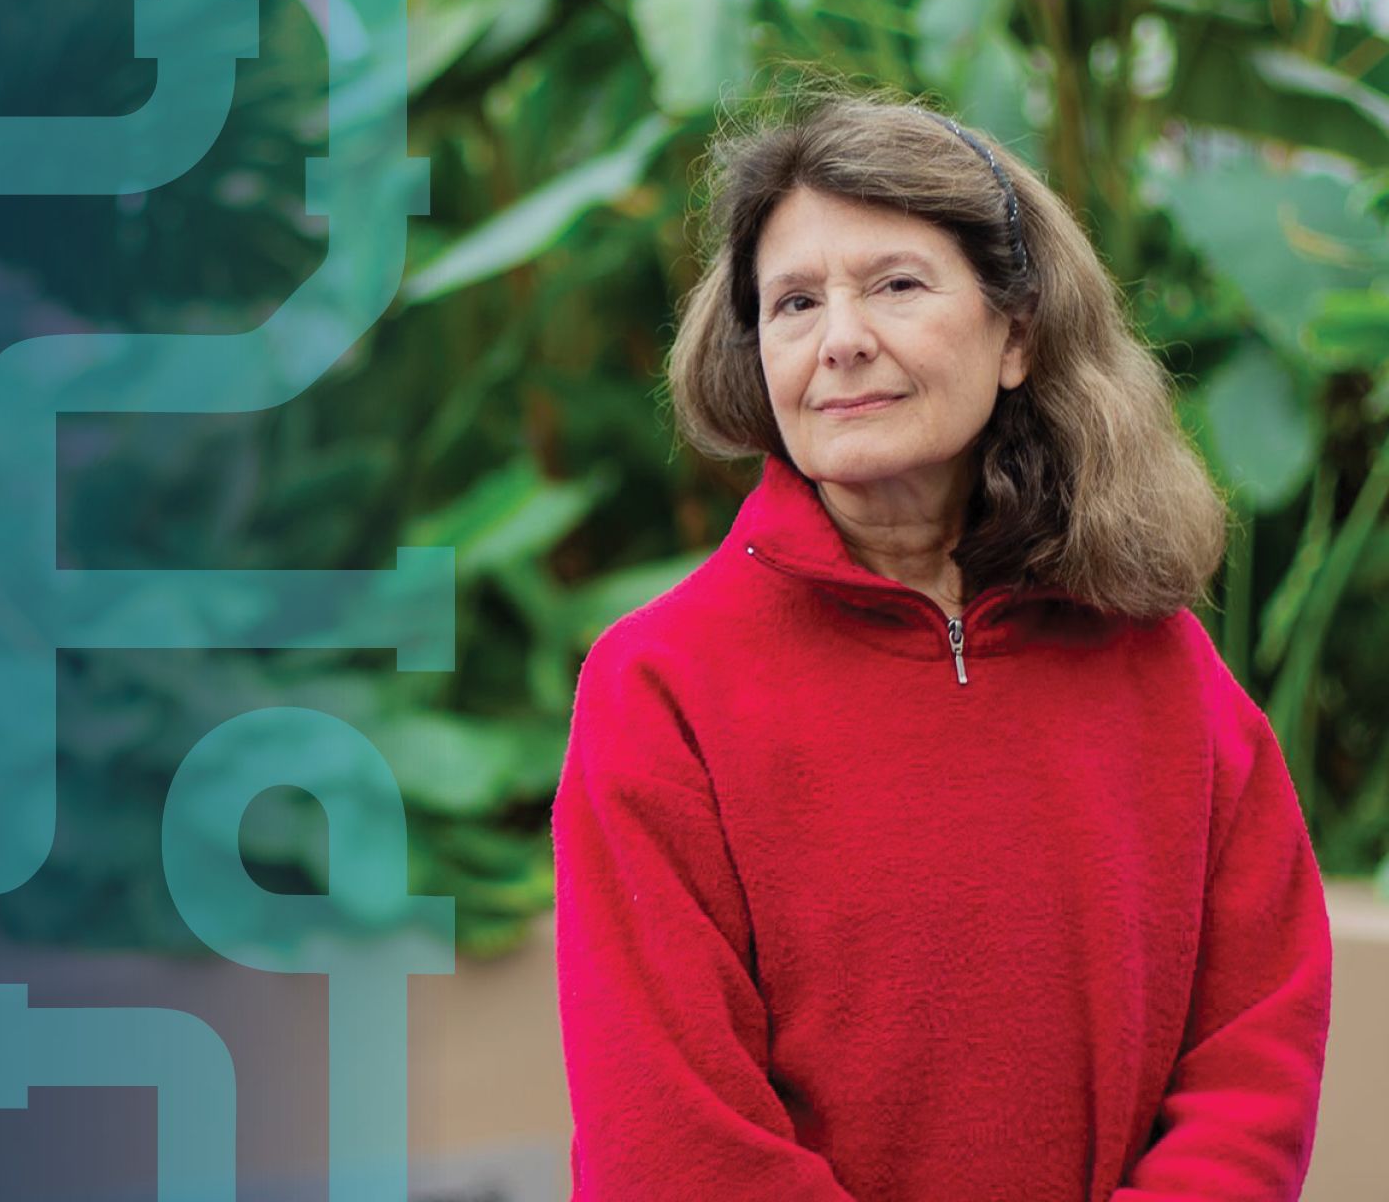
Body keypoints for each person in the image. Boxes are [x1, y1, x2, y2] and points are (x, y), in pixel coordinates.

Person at [549, 95, 1334, 1200]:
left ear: (1016, 335)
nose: (840, 339)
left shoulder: (1156, 662)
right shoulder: (662, 688)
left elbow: (1255, 1041)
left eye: (895, 285)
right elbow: (670, 1140)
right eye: (792, 303)